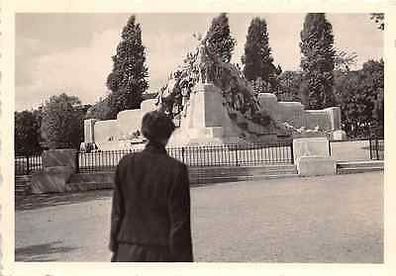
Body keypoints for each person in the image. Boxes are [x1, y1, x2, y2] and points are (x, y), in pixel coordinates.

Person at [109, 111, 193, 262]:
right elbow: (180, 222)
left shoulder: (126, 164)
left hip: (127, 247)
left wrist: (115, 245)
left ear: (144, 132)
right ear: (168, 135)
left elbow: (117, 211)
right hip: (161, 251)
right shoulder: (176, 169)